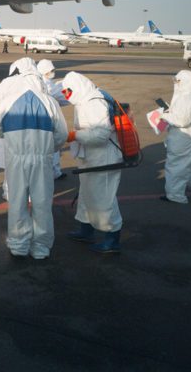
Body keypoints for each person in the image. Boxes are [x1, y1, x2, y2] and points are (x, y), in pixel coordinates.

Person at [0, 58, 68, 260]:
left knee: (17, 201)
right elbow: (61, 134)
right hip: (42, 159)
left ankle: (18, 245)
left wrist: (12, 137)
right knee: (42, 202)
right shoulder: (49, 101)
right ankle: (41, 247)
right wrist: (49, 148)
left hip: (15, 158)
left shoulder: (8, 101)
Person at [60, 71, 123, 253]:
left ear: (77, 88)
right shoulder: (86, 99)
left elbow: (101, 135)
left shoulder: (94, 102)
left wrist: (74, 135)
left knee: (104, 199)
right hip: (91, 157)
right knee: (87, 196)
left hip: (104, 159)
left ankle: (112, 240)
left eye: (67, 92)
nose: (66, 96)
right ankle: (86, 231)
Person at [160, 70, 191, 203]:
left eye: (178, 81)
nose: (176, 84)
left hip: (183, 139)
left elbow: (182, 121)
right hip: (185, 138)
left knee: (175, 167)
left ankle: (175, 196)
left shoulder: (186, 98)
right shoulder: (190, 95)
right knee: (183, 165)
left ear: (187, 83)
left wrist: (163, 115)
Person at [37, 59, 68, 181]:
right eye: (51, 70)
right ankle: (51, 173)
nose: (53, 72)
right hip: (46, 119)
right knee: (50, 148)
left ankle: (56, 172)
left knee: (54, 148)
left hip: (52, 118)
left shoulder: (49, 82)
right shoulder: (41, 84)